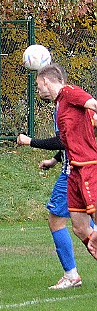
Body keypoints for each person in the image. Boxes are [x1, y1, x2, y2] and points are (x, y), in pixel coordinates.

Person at [35, 63, 97, 260]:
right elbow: (67, 140)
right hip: (73, 171)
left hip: (88, 166)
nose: (38, 90)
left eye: (38, 85)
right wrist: (55, 160)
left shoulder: (69, 92)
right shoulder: (60, 104)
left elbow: (94, 105)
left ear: (45, 81)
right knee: (80, 228)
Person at [17, 131, 82, 289]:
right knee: (85, 224)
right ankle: (71, 275)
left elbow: (65, 140)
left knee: (58, 223)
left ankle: (71, 275)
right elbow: (73, 141)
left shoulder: (67, 106)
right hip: (84, 170)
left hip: (72, 174)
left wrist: (30, 141)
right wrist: (54, 160)